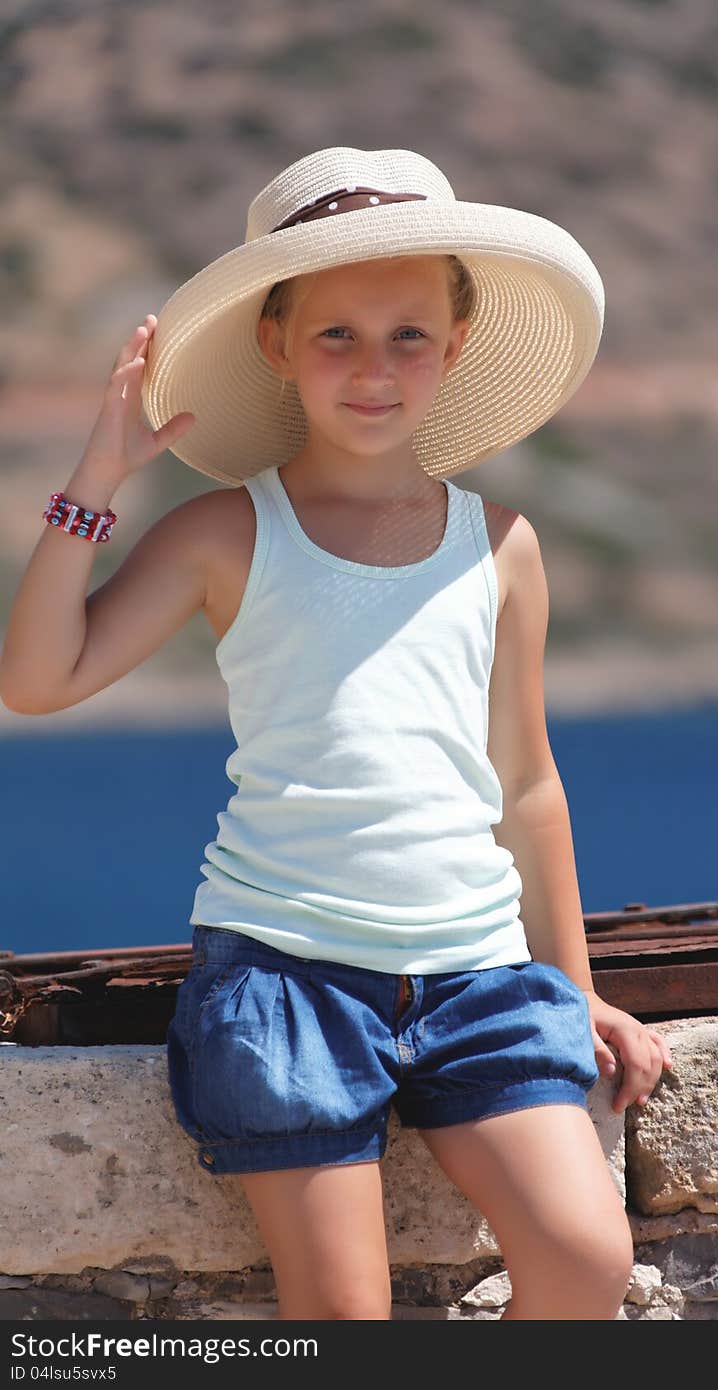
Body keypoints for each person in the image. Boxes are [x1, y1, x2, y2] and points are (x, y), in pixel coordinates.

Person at [0, 147, 673, 1321]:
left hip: (480, 977)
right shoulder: (226, 532)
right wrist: (98, 473)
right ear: (275, 344)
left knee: (586, 1260)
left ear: (456, 343)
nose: (375, 368)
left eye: (408, 334)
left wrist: (578, 989)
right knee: (344, 1321)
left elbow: (527, 787)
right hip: (282, 978)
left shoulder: (501, 543)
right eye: (335, 336)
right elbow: (39, 679)